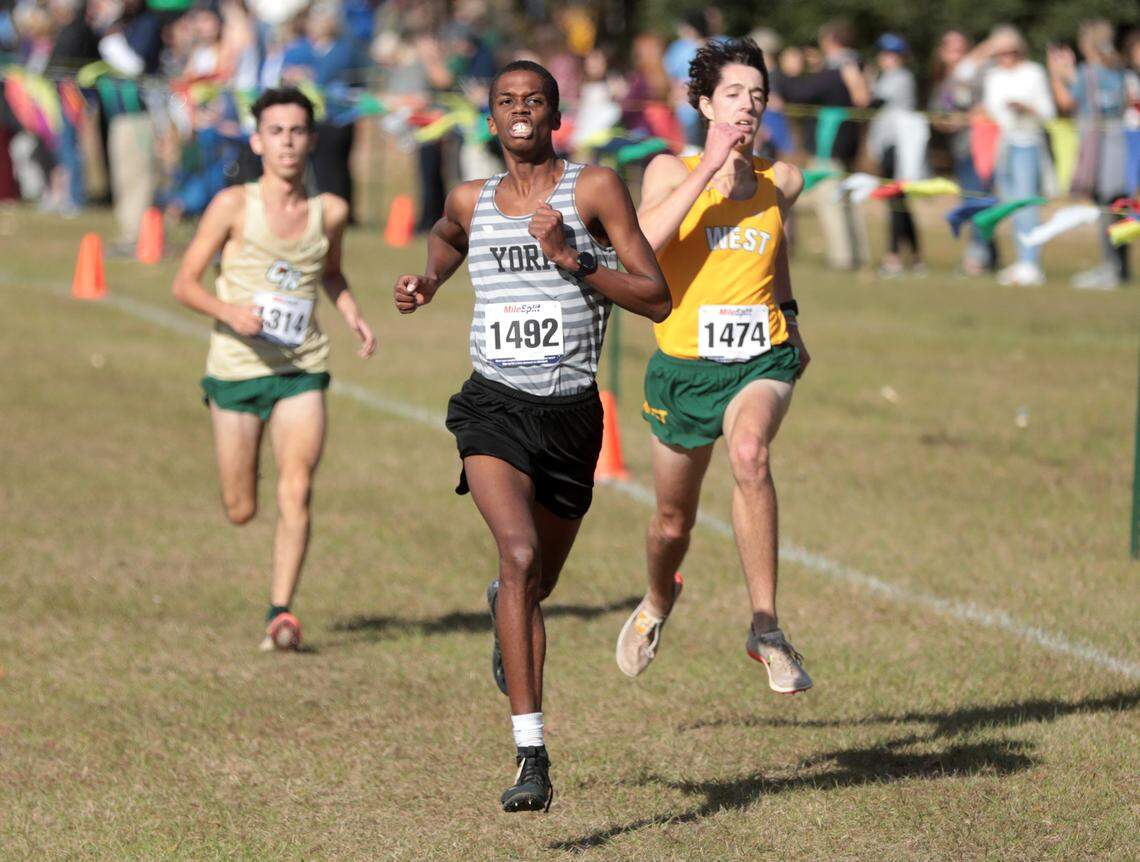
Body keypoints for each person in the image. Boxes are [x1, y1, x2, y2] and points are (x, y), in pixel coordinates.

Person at [393, 60, 669, 813]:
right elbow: (448, 234)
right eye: (506, 103)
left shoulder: (595, 189)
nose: (520, 113)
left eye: (534, 101)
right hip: (493, 406)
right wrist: (428, 281)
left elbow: (656, 297)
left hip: (573, 416)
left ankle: (505, 609)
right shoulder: (470, 197)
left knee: (536, 579)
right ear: (490, 119)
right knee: (517, 556)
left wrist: (573, 261)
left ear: (555, 114)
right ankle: (531, 756)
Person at [616, 38, 813, 696]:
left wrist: (791, 316)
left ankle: (766, 627)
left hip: (761, 355)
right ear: (703, 103)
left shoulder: (781, 181)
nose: (747, 106)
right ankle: (656, 599)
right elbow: (640, 245)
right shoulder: (670, 171)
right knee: (674, 522)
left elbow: (773, 253)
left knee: (751, 453)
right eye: (733, 94)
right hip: (683, 369)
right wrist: (710, 170)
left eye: (757, 96)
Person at [172, 87, 376, 651]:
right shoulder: (233, 206)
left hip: (300, 367)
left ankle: (280, 612)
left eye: (297, 132)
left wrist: (353, 314)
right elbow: (184, 283)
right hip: (236, 370)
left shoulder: (328, 211)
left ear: (311, 140)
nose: (288, 143)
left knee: (298, 487)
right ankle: (245, 471)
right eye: (277, 132)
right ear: (258, 141)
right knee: (241, 509)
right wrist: (229, 312)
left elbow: (330, 272)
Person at [1048, 20, 1130, 290]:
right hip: (1121, 147)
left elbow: (1067, 102)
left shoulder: (1088, 71)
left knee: (1106, 208)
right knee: (1119, 208)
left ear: (1087, 43)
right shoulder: (1117, 70)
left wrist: (1055, 74)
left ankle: (1109, 270)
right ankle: (1121, 269)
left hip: (1099, 150)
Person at [982, 25, 1056, 287]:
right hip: (1005, 146)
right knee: (1012, 206)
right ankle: (1022, 261)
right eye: (1001, 53)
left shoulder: (1034, 73)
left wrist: (1026, 108)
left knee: (1027, 206)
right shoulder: (993, 77)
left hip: (1028, 144)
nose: (1007, 58)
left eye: (1012, 52)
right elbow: (993, 110)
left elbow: (1048, 113)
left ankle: (1031, 263)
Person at [868, 33, 927, 277]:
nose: (886, 58)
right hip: (890, 145)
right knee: (899, 202)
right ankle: (914, 257)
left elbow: (873, 102)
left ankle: (893, 256)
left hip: (897, 146)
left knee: (895, 201)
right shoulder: (891, 77)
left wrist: (865, 80)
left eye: (891, 54)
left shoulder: (899, 78)